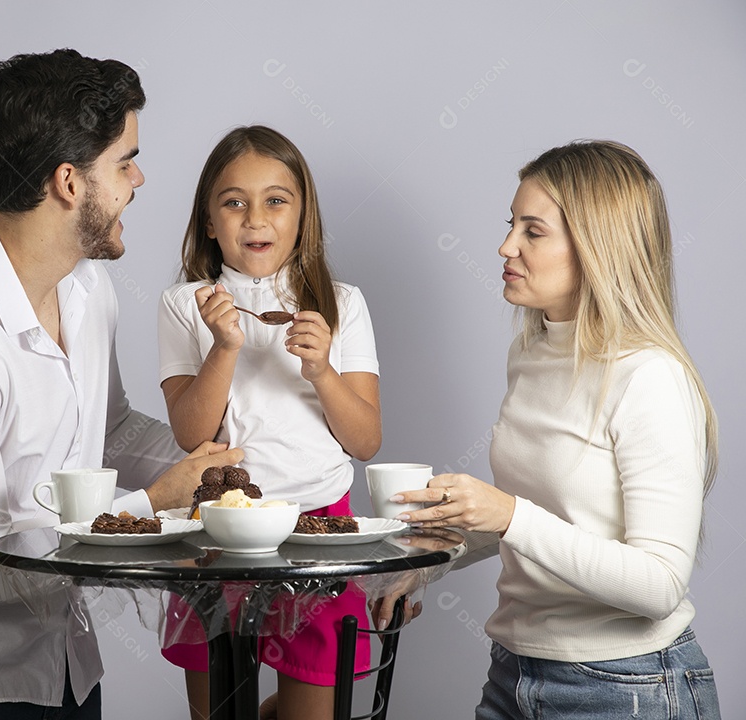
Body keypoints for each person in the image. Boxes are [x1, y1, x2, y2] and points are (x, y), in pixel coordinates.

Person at [0, 49, 243, 720]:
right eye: (124, 162)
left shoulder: (89, 289)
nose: (139, 177)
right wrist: (155, 503)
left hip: (66, 664)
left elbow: (111, 429)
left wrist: (225, 458)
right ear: (70, 182)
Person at [389, 140, 722, 719]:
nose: (505, 246)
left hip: (626, 689)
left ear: (597, 249)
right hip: (513, 672)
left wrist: (506, 512)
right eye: (510, 224)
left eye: (532, 231)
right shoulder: (532, 351)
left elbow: (660, 584)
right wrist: (425, 566)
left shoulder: (649, 377)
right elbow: (541, 522)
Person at [156, 125, 382, 720]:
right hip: (218, 532)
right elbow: (189, 433)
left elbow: (365, 441)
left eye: (276, 200)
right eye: (234, 202)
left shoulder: (342, 303)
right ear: (209, 220)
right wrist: (223, 346)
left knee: (313, 706)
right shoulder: (186, 305)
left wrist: (323, 372)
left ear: (302, 216)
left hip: (318, 529)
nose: (255, 218)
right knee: (218, 709)